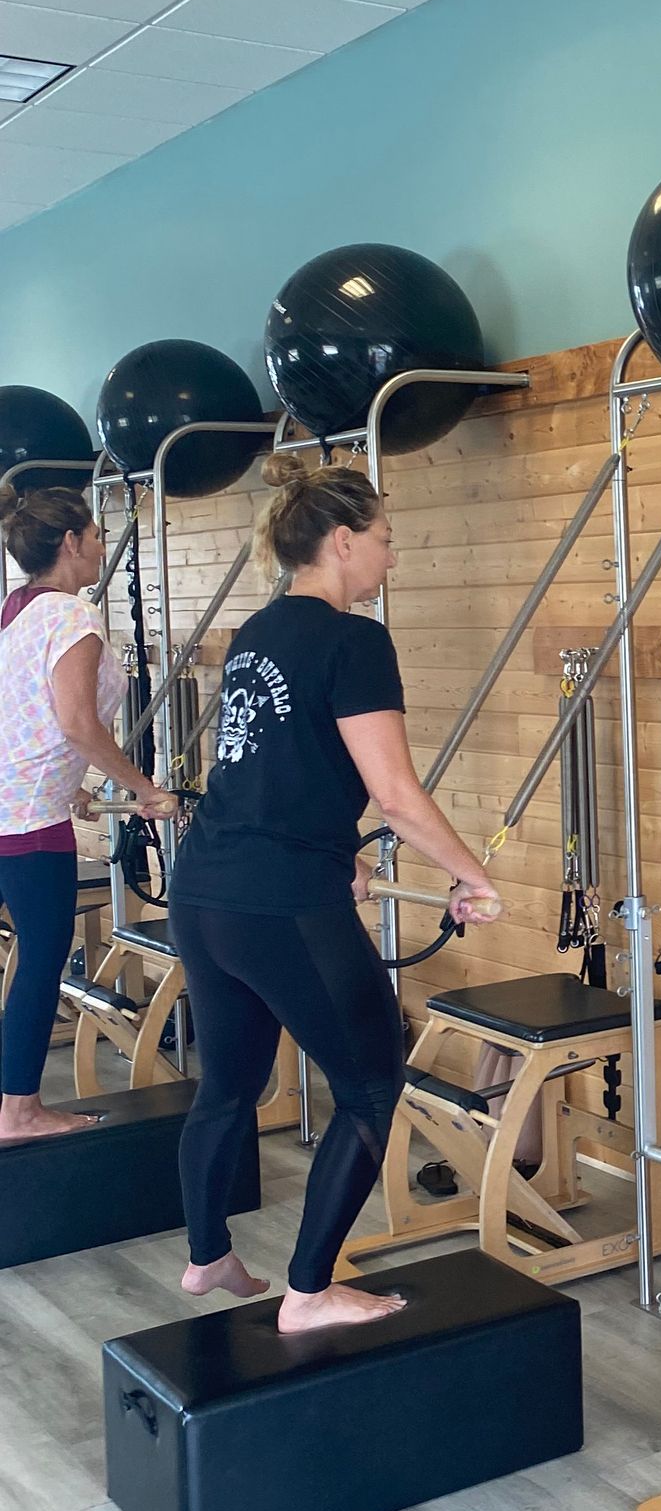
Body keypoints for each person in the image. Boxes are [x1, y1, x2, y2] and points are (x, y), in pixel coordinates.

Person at [171, 452, 502, 1335]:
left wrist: (340, 851)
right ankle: (309, 1291)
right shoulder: (356, 641)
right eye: (386, 542)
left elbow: (271, 769)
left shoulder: (258, 631)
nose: (393, 560)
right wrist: (471, 875)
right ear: (344, 542)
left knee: (228, 1086)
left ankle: (208, 1255)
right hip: (279, 901)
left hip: (205, 889)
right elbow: (396, 793)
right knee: (370, 1078)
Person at [0, 482, 175, 1141]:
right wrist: (147, 789)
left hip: (17, 804)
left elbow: (29, 713)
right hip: (27, 823)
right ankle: (18, 1112)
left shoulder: (17, 608)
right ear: (70, 543)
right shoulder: (74, 616)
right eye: (96, 535)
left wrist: (73, 782)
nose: (103, 545)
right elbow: (75, 722)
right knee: (44, 960)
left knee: (31, 959)